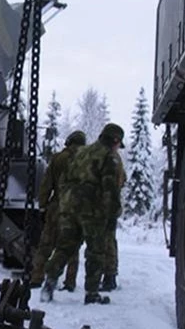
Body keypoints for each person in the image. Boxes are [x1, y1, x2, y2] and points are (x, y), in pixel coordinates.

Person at [40, 123, 125, 304]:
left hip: (69, 207)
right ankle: (91, 293)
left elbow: (64, 178)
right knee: (95, 251)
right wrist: (113, 213)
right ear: (115, 140)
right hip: (92, 210)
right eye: (119, 144)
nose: (118, 148)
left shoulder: (81, 152)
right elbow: (111, 188)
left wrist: (65, 203)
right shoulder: (108, 157)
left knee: (64, 247)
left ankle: (49, 284)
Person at [30, 130, 86, 291]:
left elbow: (46, 184)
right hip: (76, 210)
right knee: (72, 247)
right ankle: (69, 282)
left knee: (45, 244)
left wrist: (42, 205)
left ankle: (37, 277)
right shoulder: (87, 160)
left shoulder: (58, 158)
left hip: (56, 208)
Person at [99, 149, 126, 291]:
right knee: (109, 241)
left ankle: (109, 278)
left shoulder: (110, 158)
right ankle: (109, 277)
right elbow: (123, 180)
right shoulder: (116, 158)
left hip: (107, 206)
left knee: (107, 242)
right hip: (111, 206)